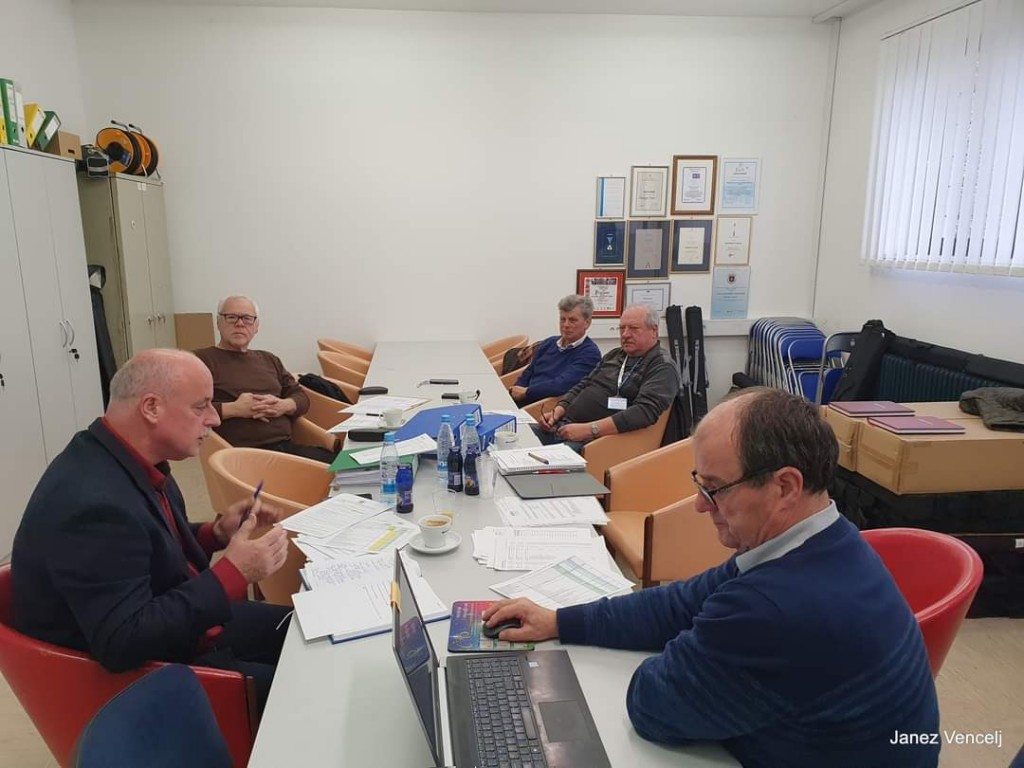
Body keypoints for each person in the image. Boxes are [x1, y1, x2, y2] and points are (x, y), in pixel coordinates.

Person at [486, 388, 940, 768]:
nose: (701, 506)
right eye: (699, 484)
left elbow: (653, 704)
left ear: (785, 487)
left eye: (715, 488)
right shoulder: (826, 538)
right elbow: (681, 602)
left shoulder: (772, 608)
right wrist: (560, 620)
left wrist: (699, 644)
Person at [11, 349, 292, 713]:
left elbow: (138, 546)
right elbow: (124, 641)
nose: (213, 418)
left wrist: (215, 533)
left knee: (304, 633)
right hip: (139, 678)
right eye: (201, 406)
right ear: (151, 408)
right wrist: (235, 573)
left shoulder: (121, 456)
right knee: (310, 687)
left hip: (177, 625)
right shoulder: (93, 505)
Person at [195, 295, 334, 464]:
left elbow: (301, 397)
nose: (240, 324)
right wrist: (234, 409)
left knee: (351, 465)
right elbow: (186, 409)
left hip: (286, 447)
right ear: (218, 323)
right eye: (231, 317)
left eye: (247, 318)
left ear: (256, 327)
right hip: (241, 457)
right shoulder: (200, 361)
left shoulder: (269, 359)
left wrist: (284, 405)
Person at [534, 304, 679, 450]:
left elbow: (644, 412)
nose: (625, 334)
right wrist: (558, 411)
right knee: (521, 436)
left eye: (633, 328)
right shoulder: (615, 354)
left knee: (533, 458)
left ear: (654, 331)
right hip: (564, 426)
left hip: (594, 441)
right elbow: (584, 384)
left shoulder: (662, 366)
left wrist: (589, 430)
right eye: (622, 328)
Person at [508, 294, 601, 405]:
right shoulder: (549, 343)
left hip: (543, 407)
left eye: (572, 320)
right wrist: (516, 391)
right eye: (563, 319)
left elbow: (561, 385)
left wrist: (526, 392)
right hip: (522, 400)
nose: (566, 325)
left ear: (587, 323)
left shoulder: (590, 354)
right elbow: (529, 372)